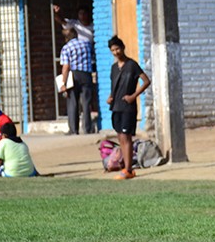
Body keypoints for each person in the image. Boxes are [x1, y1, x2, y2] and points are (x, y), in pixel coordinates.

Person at [105, 35, 151, 181]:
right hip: (116, 106)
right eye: (113, 50)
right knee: (120, 137)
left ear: (123, 48)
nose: (116, 52)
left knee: (126, 137)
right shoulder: (113, 68)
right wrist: (111, 96)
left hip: (128, 107)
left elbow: (146, 81)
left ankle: (129, 169)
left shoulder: (132, 65)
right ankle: (125, 166)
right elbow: (114, 86)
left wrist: (133, 96)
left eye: (117, 49)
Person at [58, 25, 96, 135]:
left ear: (66, 38)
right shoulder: (87, 44)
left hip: (73, 75)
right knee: (86, 102)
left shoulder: (66, 48)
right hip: (86, 74)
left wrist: (63, 83)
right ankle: (88, 128)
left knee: (72, 102)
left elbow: (66, 67)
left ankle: (74, 129)